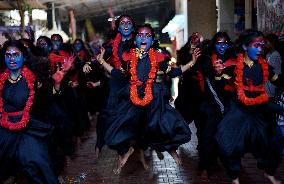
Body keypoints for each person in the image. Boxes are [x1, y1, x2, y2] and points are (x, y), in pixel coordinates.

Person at [97, 24, 200, 174]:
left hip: (153, 97)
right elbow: (118, 74)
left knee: (161, 125)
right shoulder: (128, 56)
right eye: (140, 35)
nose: (143, 37)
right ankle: (129, 150)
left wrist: (192, 62)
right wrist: (102, 61)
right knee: (126, 126)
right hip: (133, 97)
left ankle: (171, 150)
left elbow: (174, 72)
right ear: (136, 39)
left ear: (152, 40)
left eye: (147, 35)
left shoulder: (157, 56)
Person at [0, 40, 73, 183]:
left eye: (16, 54)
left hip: (28, 129)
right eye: (8, 55)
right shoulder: (1, 80)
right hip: (5, 129)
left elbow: (48, 100)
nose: (12, 59)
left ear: (24, 56)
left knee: (37, 162)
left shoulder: (33, 79)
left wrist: (57, 83)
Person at [215, 30, 283, 184]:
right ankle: (234, 177)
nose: (260, 49)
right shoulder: (234, 67)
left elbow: (278, 81)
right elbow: (220, 85)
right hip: (239, 111)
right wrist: (219, 74)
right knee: (231, 145)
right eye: (256, 45)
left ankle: (269, 172)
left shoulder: (265, 66)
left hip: (259, 110)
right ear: (245, 47)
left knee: (271, 142)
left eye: (262, 45)